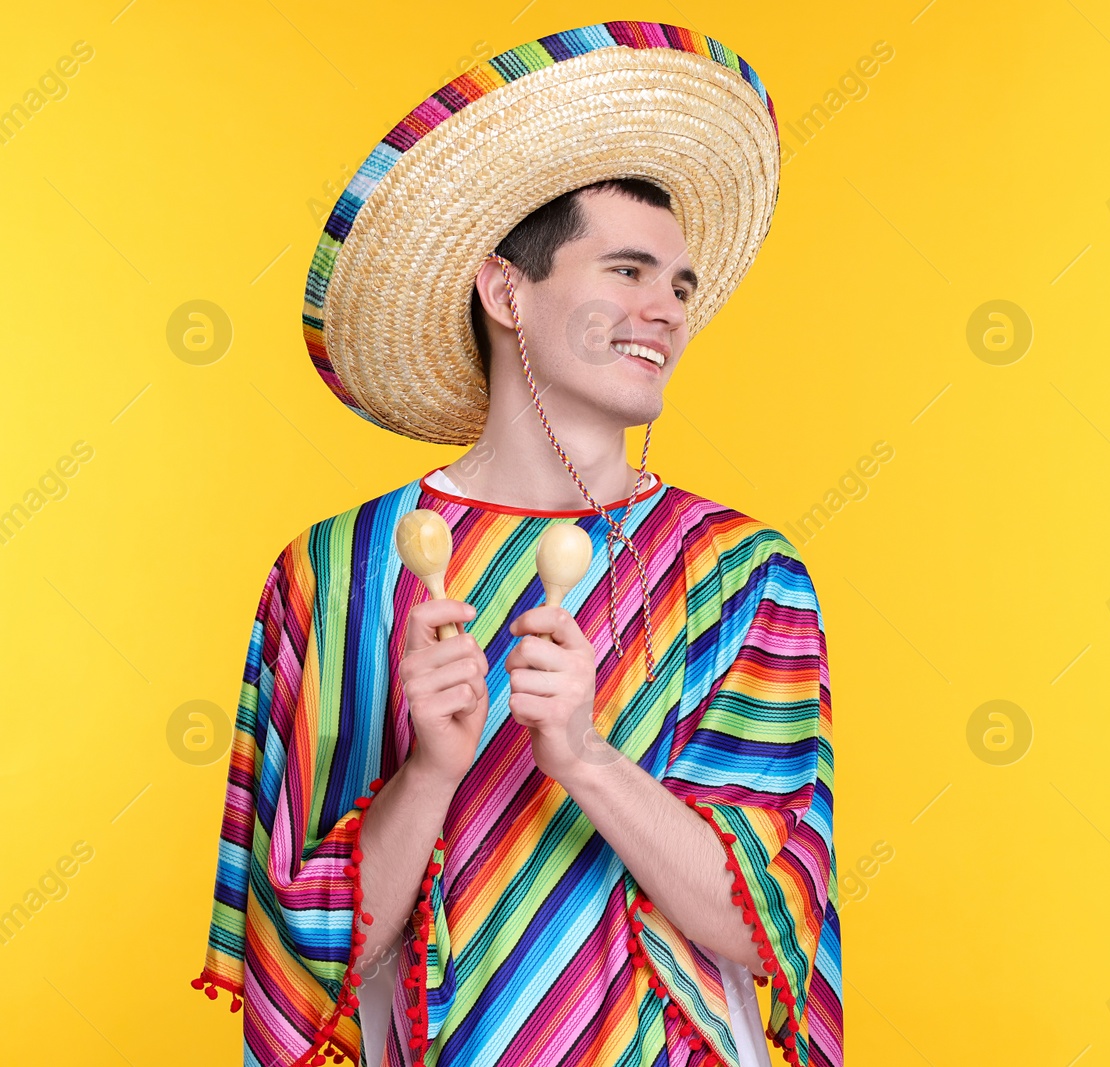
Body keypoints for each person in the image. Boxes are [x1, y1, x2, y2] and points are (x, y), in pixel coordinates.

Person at [190, 22, 840, 1067]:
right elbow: (307, 966)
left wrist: (582, 757)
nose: (665, 311)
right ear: (505, 291)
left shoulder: (737, 572)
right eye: (626, 269)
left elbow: (760, 923)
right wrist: (431, 770)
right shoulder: (341, 575)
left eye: (679, 284)